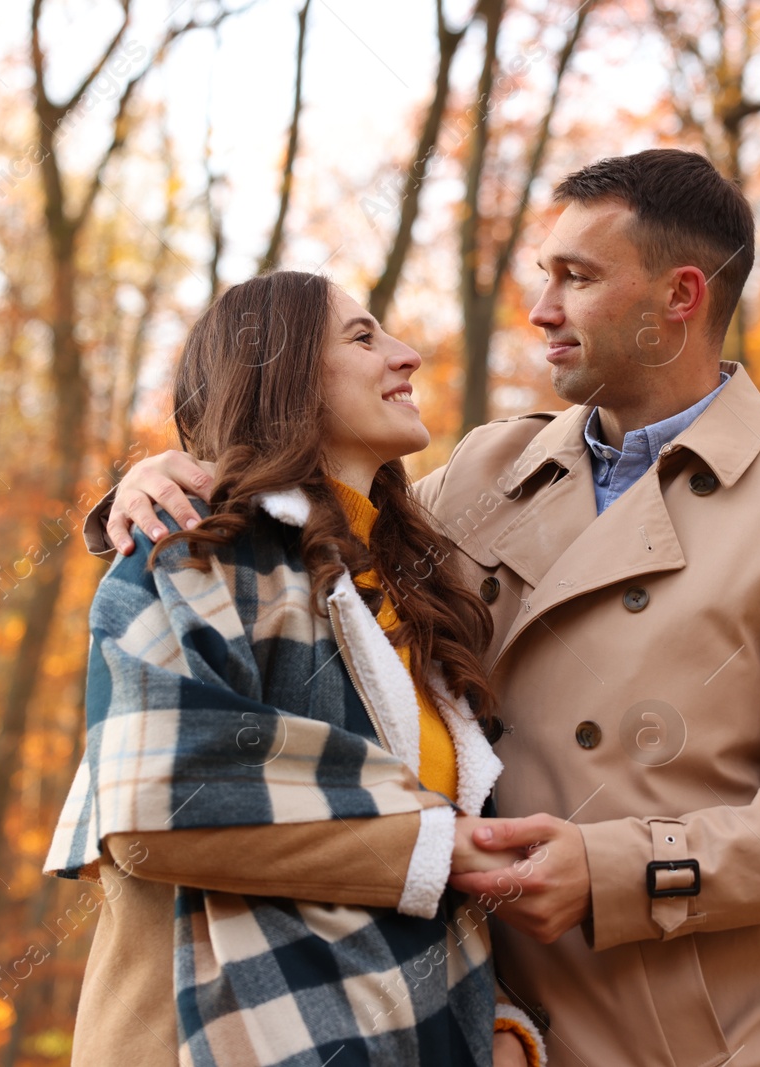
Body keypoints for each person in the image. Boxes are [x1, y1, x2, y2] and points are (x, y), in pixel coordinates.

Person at [86, 150, 760, 1067]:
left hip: (688, 1032)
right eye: (543, 274)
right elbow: (310, 520)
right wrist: (171, 478)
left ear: (680, 296)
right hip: (471, 1019)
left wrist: (620, 870)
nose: (541, 309)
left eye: (577, 277)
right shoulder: (490, 471)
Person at [44, 270, 547, 1067]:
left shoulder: (413, 594)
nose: (407, 355)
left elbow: (393, 878)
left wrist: (501, 1022)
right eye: (363, 336)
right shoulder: (193, 551)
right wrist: (442, 845)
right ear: (279, 375)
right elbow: (151, 801)